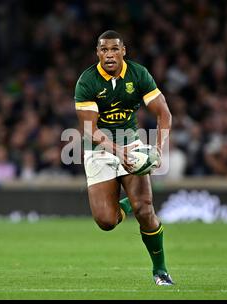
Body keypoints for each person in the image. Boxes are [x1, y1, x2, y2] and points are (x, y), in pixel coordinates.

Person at [74, 30, 173, 285]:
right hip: (99, 149)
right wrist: (119, 152)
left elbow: (164, 113)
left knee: (145, 209)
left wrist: (159, 149)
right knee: (107, 222)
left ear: (123, 51)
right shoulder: (87, 81)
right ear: (97, 53)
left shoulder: (139, 74)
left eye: (114, 49)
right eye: (104, 50)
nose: (109, 54)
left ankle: (160, 271)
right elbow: (89, 130)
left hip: (131, 143)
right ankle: (128, 203)